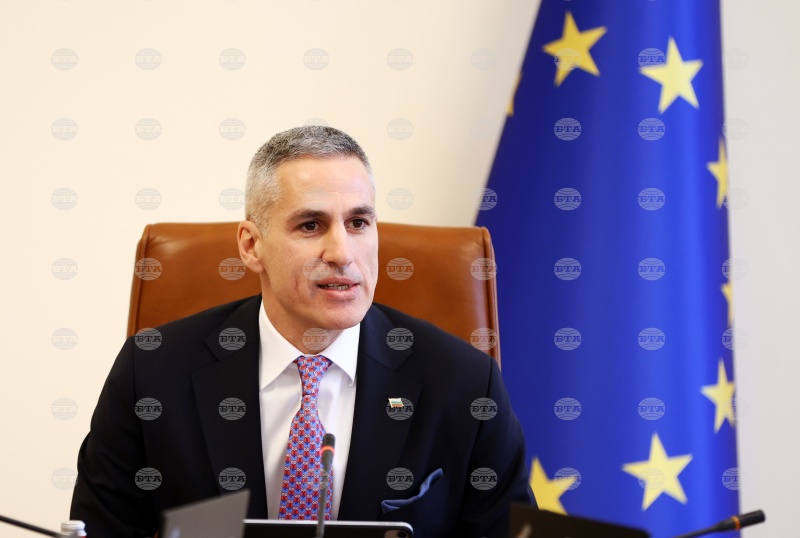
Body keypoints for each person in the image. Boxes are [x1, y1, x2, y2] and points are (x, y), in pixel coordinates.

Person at [70, 126, 535, 537]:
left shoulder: (464, 383)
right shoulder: (152, 371)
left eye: (358, 223)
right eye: (311, 225)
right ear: (251, 246)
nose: (342, 253)